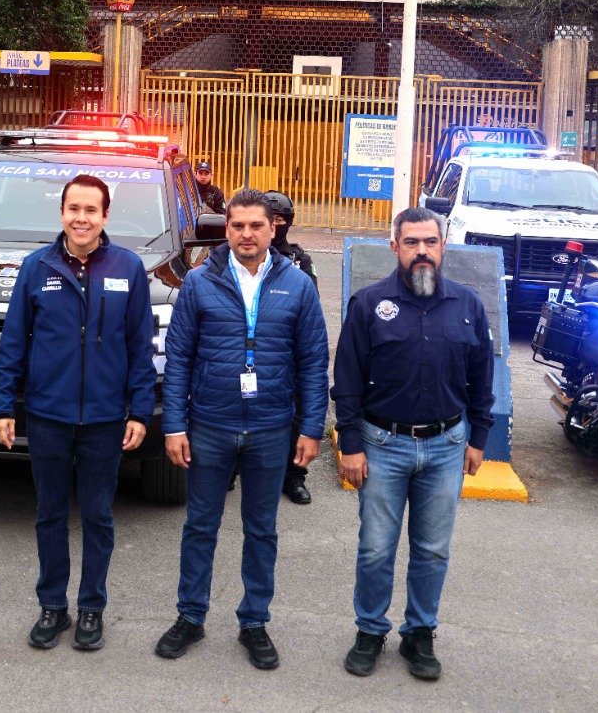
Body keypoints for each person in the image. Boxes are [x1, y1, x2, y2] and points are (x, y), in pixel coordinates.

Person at [154, 189, 329, 671]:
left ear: (273, 228)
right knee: (200, 526)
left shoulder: (298, 285)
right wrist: (174, 425)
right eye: (237, 226)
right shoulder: (199, 282)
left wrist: (311, 428)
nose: (246, 234)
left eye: (256, 226)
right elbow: (179, 358)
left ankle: (254, 621)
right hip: (210, 424)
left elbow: (314, 362)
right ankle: (190, 616)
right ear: (226, 229)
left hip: (271, 427)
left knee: (262, 529)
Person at [0, 174, 156, 653]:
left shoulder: (128, 267)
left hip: (105, 419)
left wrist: (140, 411)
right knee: (49, 514)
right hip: (48, 415)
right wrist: (4, 405)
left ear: (105, 216)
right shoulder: (36, 267)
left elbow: (139, 346)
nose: (81, 219)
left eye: (90, 210)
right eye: (73, 209)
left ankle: (91, 607)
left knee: (99, 516)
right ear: (61, 213)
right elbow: (13, 343)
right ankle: (52, 606)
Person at [332, 206, 494, 682]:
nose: (421, 251)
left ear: (443, 246)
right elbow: (347, 379)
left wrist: (479, 437)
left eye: (430, 242)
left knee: (433, 550)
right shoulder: (368, 304)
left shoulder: (468, 304)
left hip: (446, 446)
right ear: (395, 247)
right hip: (382, 445)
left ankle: (419, 633)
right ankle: (370, 630)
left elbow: (481, 378)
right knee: (375, 549)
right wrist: (350, 444)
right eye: (411, 243)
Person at [265, 190, 317, 505]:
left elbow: (311, 308)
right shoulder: (240, 255)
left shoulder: (299, 260)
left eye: (281, 220)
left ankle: (293, 476)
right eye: (269, 219)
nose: (275, 225)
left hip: (288, 349)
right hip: (250, 348)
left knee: (295, 414)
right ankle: (232, 469)